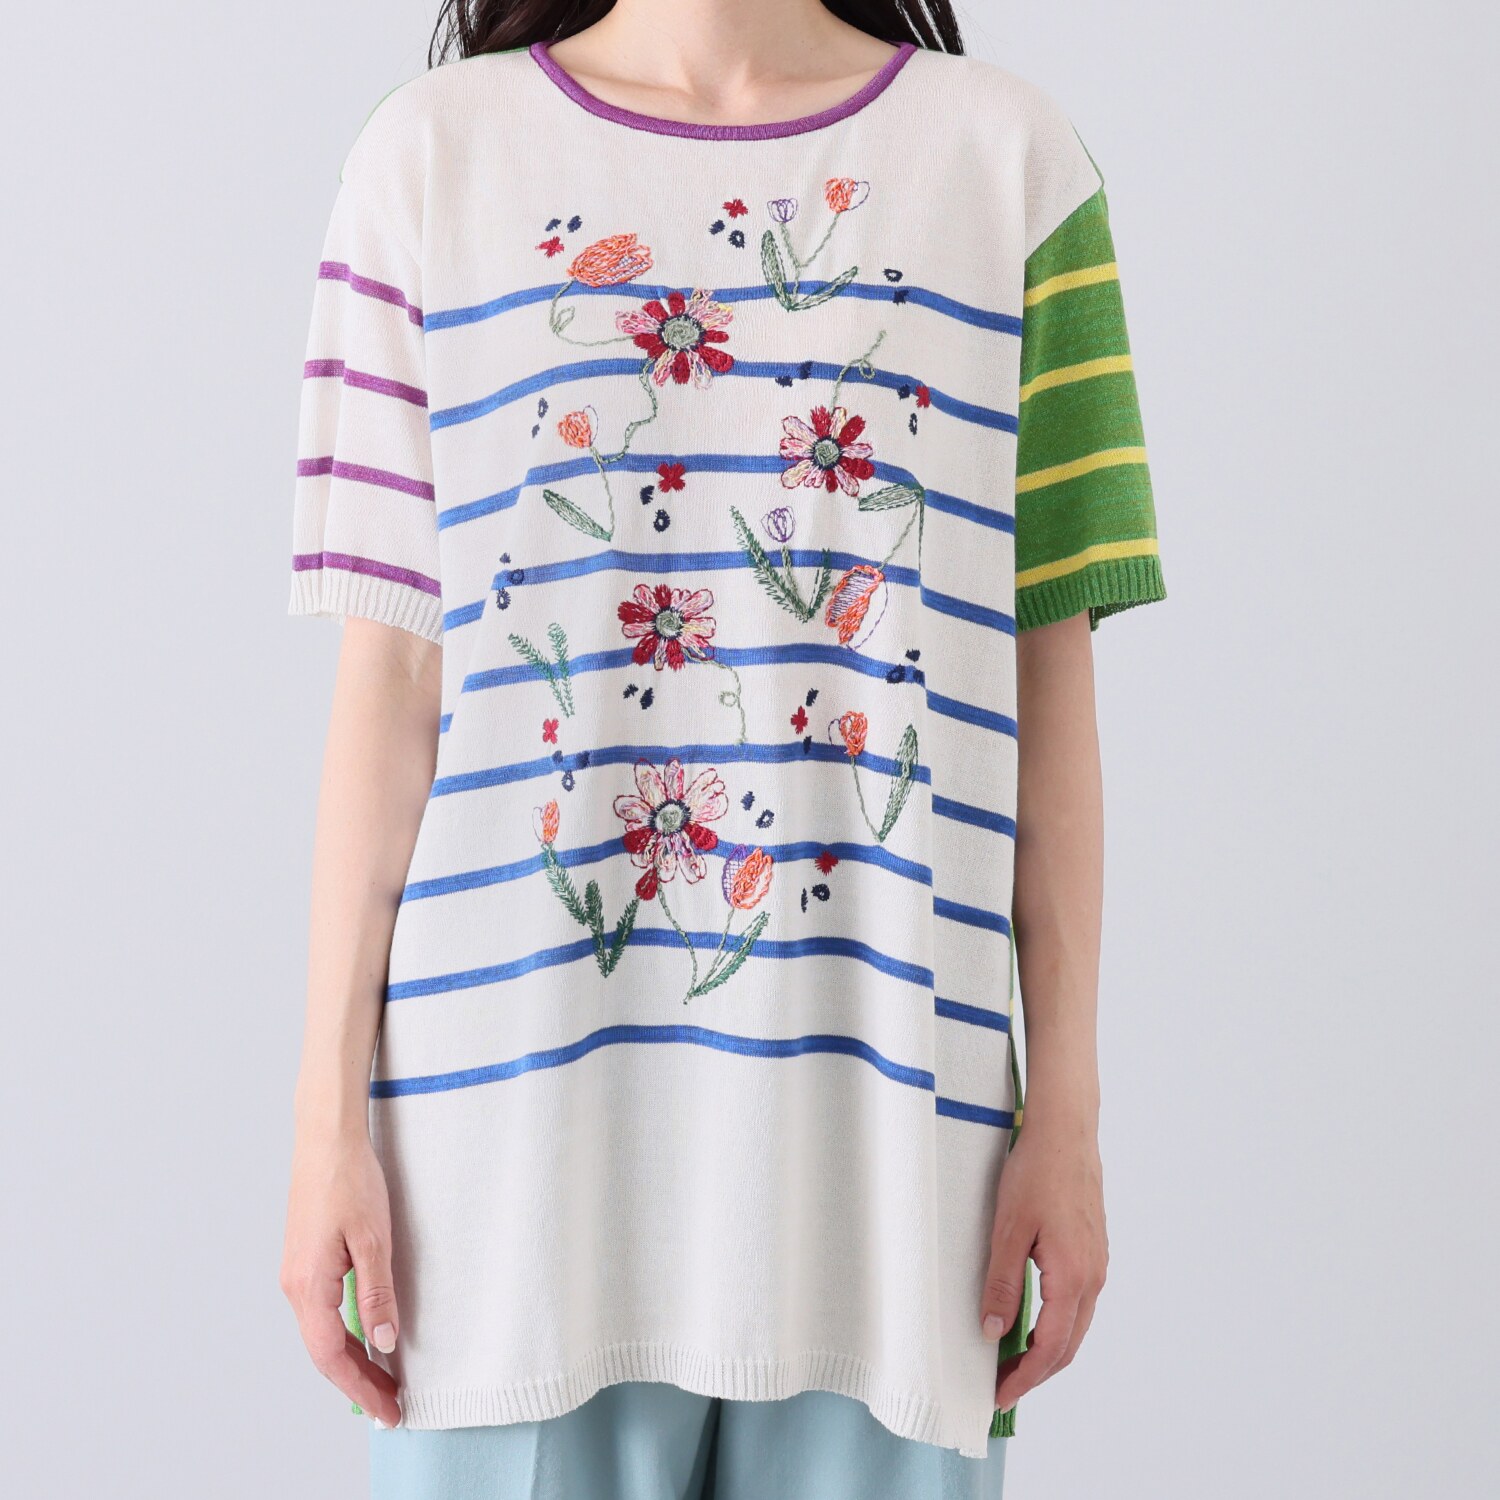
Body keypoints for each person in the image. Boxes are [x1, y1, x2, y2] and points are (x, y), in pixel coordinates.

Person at [280, 2, 1164, 1495]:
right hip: (502, 1159)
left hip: (893, 1162)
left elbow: (1048, 686)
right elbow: (390, 689)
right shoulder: (427, 163)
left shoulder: (1013, 170)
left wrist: (1065, 1117)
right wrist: (326, 1126)